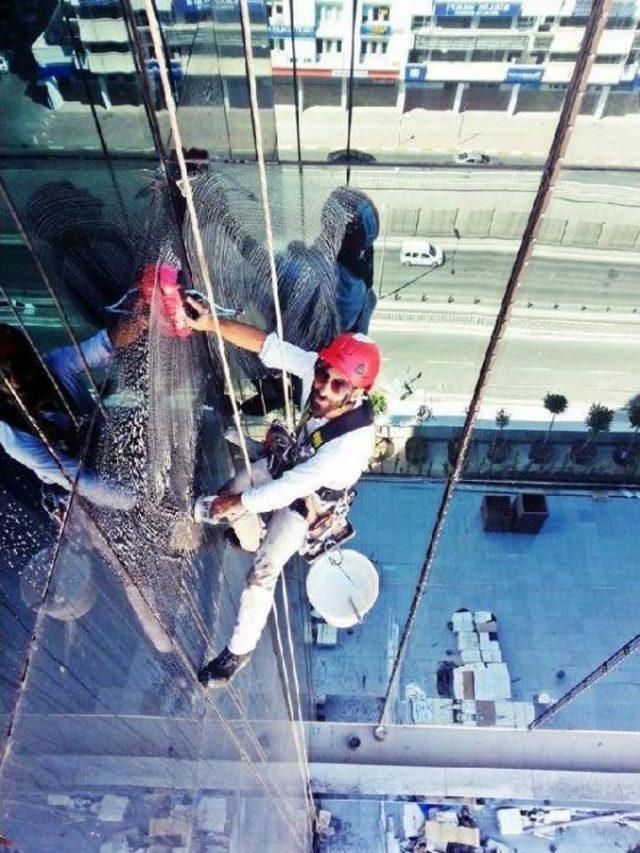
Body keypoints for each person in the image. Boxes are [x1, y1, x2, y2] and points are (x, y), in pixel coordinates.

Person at [187, 301, 381, 687]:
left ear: (357, 393)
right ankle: (233, 527)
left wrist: (241, 504)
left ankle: (237, 653)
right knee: (232, 491)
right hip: (294, 462)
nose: (323, 386)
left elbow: (292, 489)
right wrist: (209, 323)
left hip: (309, 501)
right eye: (323, 373)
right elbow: (267, 346)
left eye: (337, 383)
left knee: (263, 571)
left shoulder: (352, 445)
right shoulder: (320, 372)